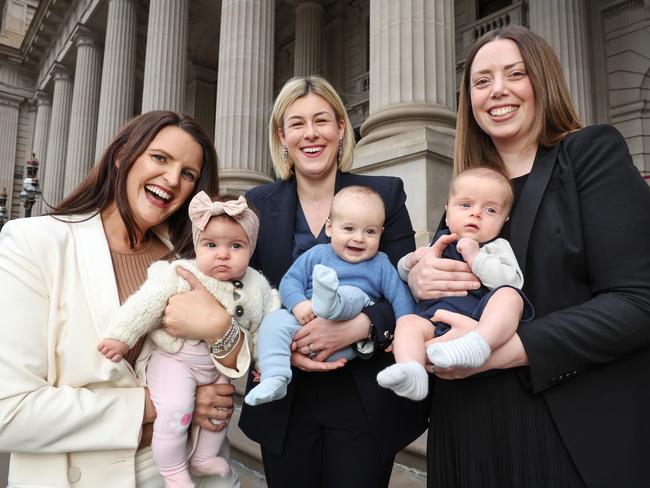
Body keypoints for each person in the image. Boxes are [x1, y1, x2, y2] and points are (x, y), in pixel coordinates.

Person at [404, 25, 650, 487]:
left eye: (514, 74)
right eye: (481, 81)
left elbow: (638, 302)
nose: (498, 90)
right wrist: (420, 280)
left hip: (565, 428)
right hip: (467, 429)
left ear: (542, 80)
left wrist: (496, 353)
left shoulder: (591, 153)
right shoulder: (469, 189)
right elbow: (448, 288)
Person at [0, 111, 248, 488]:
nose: (171, 180)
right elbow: (9, 411)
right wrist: (157, 405)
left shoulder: (191, 262)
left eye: (188, 174)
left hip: (187, 474)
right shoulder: (33, 244)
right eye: (160, 158)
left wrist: (221, 329)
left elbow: (231, 367)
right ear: (122, 156)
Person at [237, 76, 428, 488]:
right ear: (281, 135)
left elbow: (402, 288)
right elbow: (246, 292)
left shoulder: (385, 195)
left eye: (322, 120)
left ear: (342, 128)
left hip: (364, 394)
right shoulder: (256, 204)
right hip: (286, 398)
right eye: (297, 123)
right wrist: (277, 347)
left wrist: (359, 326)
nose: (311, 133)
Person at [98, 192, 280, 487]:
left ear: (251, 248)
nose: (223, 254)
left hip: (217, 367)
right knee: (176, 410)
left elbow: (265, 325)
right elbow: (145, 304)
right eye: (211, 245)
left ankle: (203, 457)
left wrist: (265, 362)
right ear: (197, 246)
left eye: (236, 245)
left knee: (219, 414)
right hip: (175, 361)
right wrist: (122, 336)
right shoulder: (181, 272)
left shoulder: (257, 285)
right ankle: (172, 470)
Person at [244, 185, 415, 406]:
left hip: (349, 329)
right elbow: (290, 281)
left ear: (381, 233)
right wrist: (298, 304)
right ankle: (275, 378)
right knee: (274, 322)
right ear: (330, 228)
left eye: (370, 231)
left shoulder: (380, 264)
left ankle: (330, 301)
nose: (359, 238)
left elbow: (401, 298)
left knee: (351, 294)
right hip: (306, 321)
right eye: (349, 228)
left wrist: (404, 332)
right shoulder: (317, 254)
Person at [377, 167, 533, 401]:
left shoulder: (495, 248)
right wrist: (412, 262)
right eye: (466, 205)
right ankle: (413, 372)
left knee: (510, 297)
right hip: (434, 318)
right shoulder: (440, 242)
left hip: (478, 320)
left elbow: (512, 281)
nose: (476, 214)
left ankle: (479, 345)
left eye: (490, 209)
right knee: (408, 322)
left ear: (504, 221)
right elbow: (402, 271)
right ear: (448, 214)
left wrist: (476, 258)